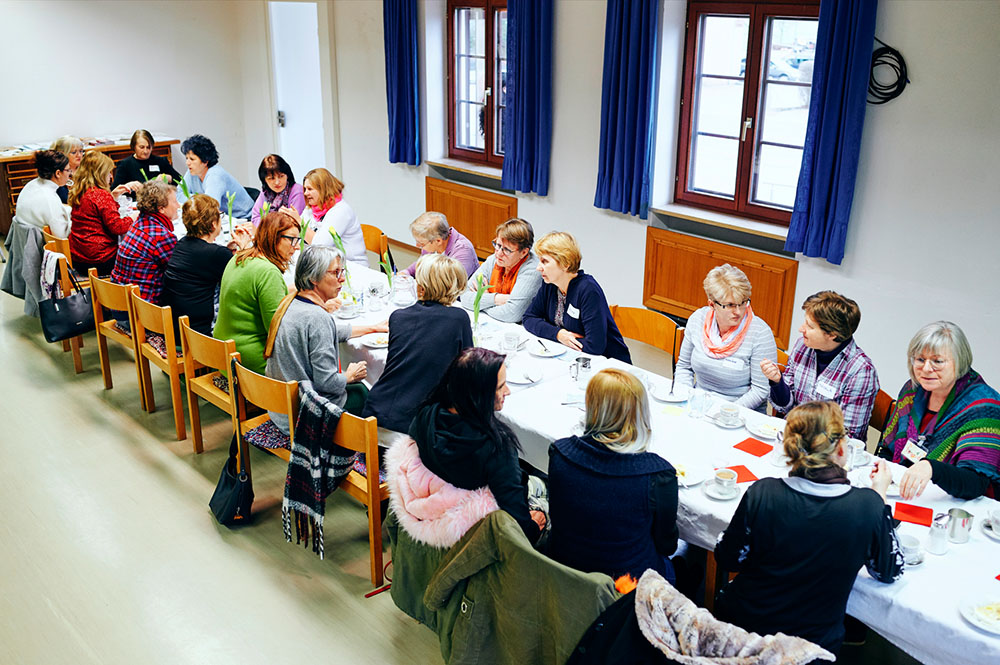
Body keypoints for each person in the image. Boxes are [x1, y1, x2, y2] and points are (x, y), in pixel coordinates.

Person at [714, 401, 902, 656]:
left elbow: (729, 558)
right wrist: (879, 497)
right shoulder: (868, 505)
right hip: (811, 646)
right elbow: (889, 572)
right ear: (842, 448)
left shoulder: (764, 492)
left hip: (745, 630)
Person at [547, 369, 678, 582]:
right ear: (638, 413)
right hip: (627, 590)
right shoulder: (659, 476)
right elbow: (667, 545)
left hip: (564, 571)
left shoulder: (560, 453)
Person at [408, 347, 544, 544]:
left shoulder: (426, 416)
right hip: (481, 532)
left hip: (437, 515)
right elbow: (517, 520)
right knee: (544, 486)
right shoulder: (496, 448)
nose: (508, 392)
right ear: (478, 394)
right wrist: (535, 526)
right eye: (500, 387)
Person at [265, 245, 387, 435]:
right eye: (335, 273)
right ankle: (370, 452)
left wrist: (372, 328)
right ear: (314, 278)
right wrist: (349, 375)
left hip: (280, 409)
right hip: (305, 415)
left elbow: (326, 332)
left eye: (342, 272)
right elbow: (327, 383)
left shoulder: (291, 302)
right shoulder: (318, 318)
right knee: (369, 394)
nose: (342, 279)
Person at [880, 321, 1000, 500]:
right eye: (920, 359)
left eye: (937, 361)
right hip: (906, 493)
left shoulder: (983, 408)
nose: (926, 369)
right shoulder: (912, 390)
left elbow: (976, 483)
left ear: (959, 362)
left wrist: (931, 468)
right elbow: (888, 450)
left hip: (955, 504)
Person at [364, 253, 474, 435]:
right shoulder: (458, 319)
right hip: (416, 424)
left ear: (421, 287)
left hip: (377, 411)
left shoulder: (398, 316)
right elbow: (469, 367)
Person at [761, 291, 879, 439]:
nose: (801, 329)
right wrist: (777, 382)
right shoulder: (803, 347)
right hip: (791, 437)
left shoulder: (861, 372)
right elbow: (786, 406)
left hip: (825, 452)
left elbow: (848, 435)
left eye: (810, 326)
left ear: (832, 334)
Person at [674, 264, 777, 410]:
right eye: (730, 305)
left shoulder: (760, 333)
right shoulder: (698, 319)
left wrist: (725, 411)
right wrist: (685, 397)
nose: (738, 312)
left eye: (743, 303)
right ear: (712, 304)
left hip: (739, 411)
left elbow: (760, 390)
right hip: (699, 404)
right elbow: (684, 367)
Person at [522, 232, 630, 363]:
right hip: (571, 357)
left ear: (565, 264)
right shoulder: (550, 284)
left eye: (545, 261)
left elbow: (594, 346)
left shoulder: (588, 290)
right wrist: (558, 334)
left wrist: (560, 337)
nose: (539, 268)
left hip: (609, 367)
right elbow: (529, 318)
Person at [213, 210, 298, 374]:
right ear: (274, 237)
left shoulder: (240, 257)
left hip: (224, 353)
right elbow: (277, 331)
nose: (295, 247)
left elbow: (255, 295)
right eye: (292, 240)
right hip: (248, 362)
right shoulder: (268, 272)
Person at [163, 194, 252, 336]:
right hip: (199, 333)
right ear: (213, 224)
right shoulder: (216, 254)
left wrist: (227, 251)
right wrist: (245, 248)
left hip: (176, 327)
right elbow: (245, 279)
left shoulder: (182, 243)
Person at [68, 151, 139, 276]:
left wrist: (113, 197)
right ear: (99, 174)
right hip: (100, 260)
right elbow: (118, 227)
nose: (111, 177)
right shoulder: (100, 195)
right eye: (108, 173)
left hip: (79, 258)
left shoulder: (80, 191)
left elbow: (96, 213)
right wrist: (134, 216)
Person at [460, 218, 541, 323]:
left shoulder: (533, 270)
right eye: (498, 245)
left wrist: (481, 301)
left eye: (507, 250)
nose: (498, 253)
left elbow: (512, 314)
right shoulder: (494, 259)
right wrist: (497, 299)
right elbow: (464, 297)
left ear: (524, 252)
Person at [111, 179, 179, 303]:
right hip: (142, 310)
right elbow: (179, 273)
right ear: (161, 208)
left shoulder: (139, 223)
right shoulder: (161, 236)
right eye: (174, 202)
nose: (178, 205)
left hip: (118, 301)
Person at [295, 168, 366, 263]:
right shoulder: (312, 208)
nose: (305, 193)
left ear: (323, 189)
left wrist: (299, 221)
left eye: (310, 189)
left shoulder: (341, 211)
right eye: (305, 189)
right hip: (326, 262)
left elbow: (320, 246)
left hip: (350, 266)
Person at [178, 134, 254, 218]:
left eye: (192, 159)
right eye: (187, 158)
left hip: (243, 218)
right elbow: (177, 195)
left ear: (205, 161)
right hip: (222, 218)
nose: (187, 163)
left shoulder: (215, 175)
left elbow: (209, 208)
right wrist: (198, 199)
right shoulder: (192, 172)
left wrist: (194, 199)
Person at [15, 150, 72, 237]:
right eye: (68, 170)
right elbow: (62, 236)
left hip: (24, 242)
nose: (70, 174)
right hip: (44, 246)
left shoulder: (31, 185)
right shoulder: (50, 199)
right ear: (58, 173)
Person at [404, 211, 478, 278]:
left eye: (421, 244)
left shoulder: (463, 251)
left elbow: (454, 284)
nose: (417, 245)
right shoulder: (432, 245)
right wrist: (406, 273)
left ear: (438, 241)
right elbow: (421, 264)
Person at [249, 154, 305, 227]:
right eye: (271, 178)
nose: (277, 182)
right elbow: (255, 218)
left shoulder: (297, 191)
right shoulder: (265, 192)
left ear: (287, 175)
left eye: (281, 176)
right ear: (264, 180)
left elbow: (293, 222)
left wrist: (267, 223)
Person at [112, 129, 181, 188]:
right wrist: (127, 186)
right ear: (134, 147)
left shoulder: (160, 161)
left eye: (148, 147)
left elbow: (181, 181)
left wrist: (169, 178)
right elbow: (114, 190)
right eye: (142, 147)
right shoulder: (125, 165)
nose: (146, 151)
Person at [50, 135, 84, 203]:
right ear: (62, 154)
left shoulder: (85, 169)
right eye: (74, 152)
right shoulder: (57, 174)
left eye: (81, 151)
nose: (79, 155)